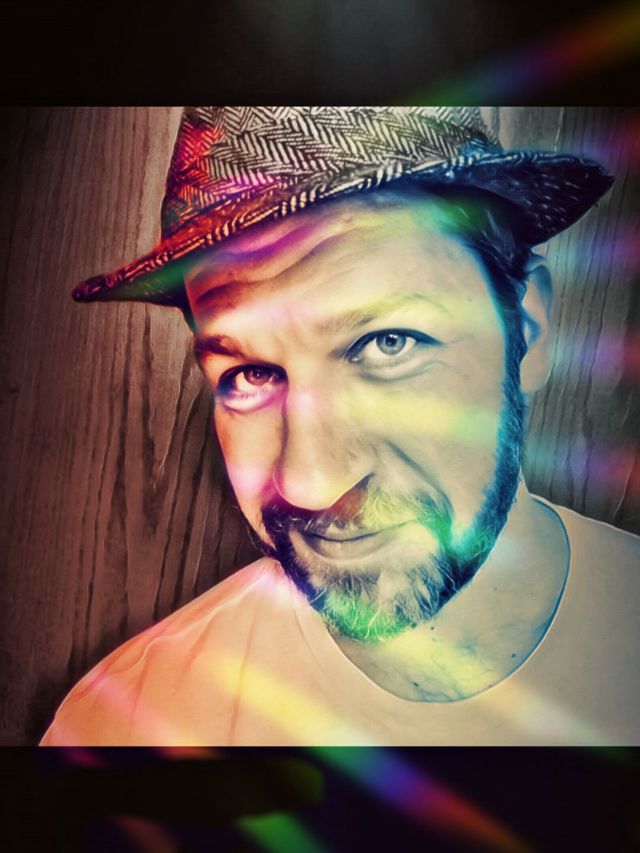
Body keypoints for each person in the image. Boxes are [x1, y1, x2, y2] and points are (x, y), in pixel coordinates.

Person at [40, 107, 640, 746]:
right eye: (249, 374)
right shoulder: (124, 725)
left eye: (387, 343)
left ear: (529, 329)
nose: (311, 483)